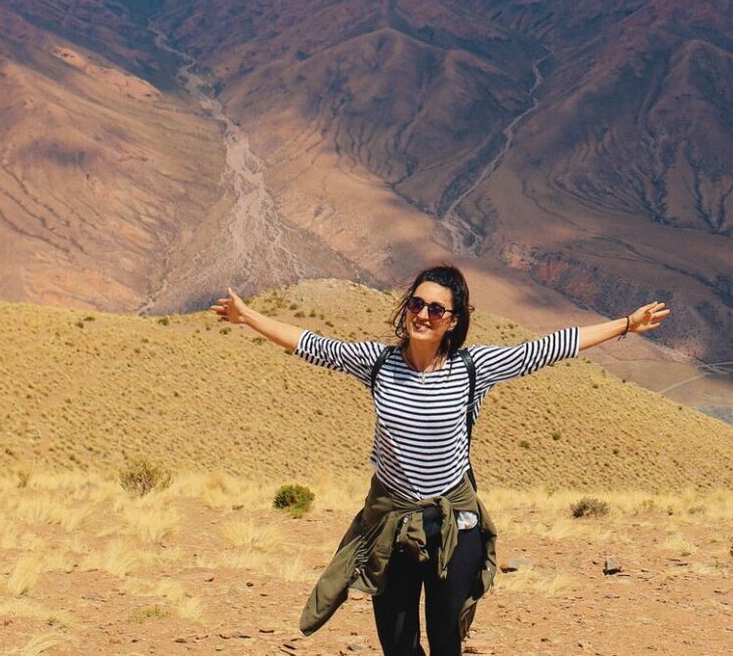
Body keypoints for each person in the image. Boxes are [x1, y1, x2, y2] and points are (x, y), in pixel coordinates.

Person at [209, 265, 669, 656]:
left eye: (436, 309)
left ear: (452, 321)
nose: (422, 314)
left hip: (453, 522)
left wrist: (625, 324)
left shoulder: (473, 368)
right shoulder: (376, 362)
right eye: (416, 303)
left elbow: (551, 346)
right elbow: (308, 343)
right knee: (397, 640)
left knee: (447, 637)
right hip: (391, 520)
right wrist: (249, 316)